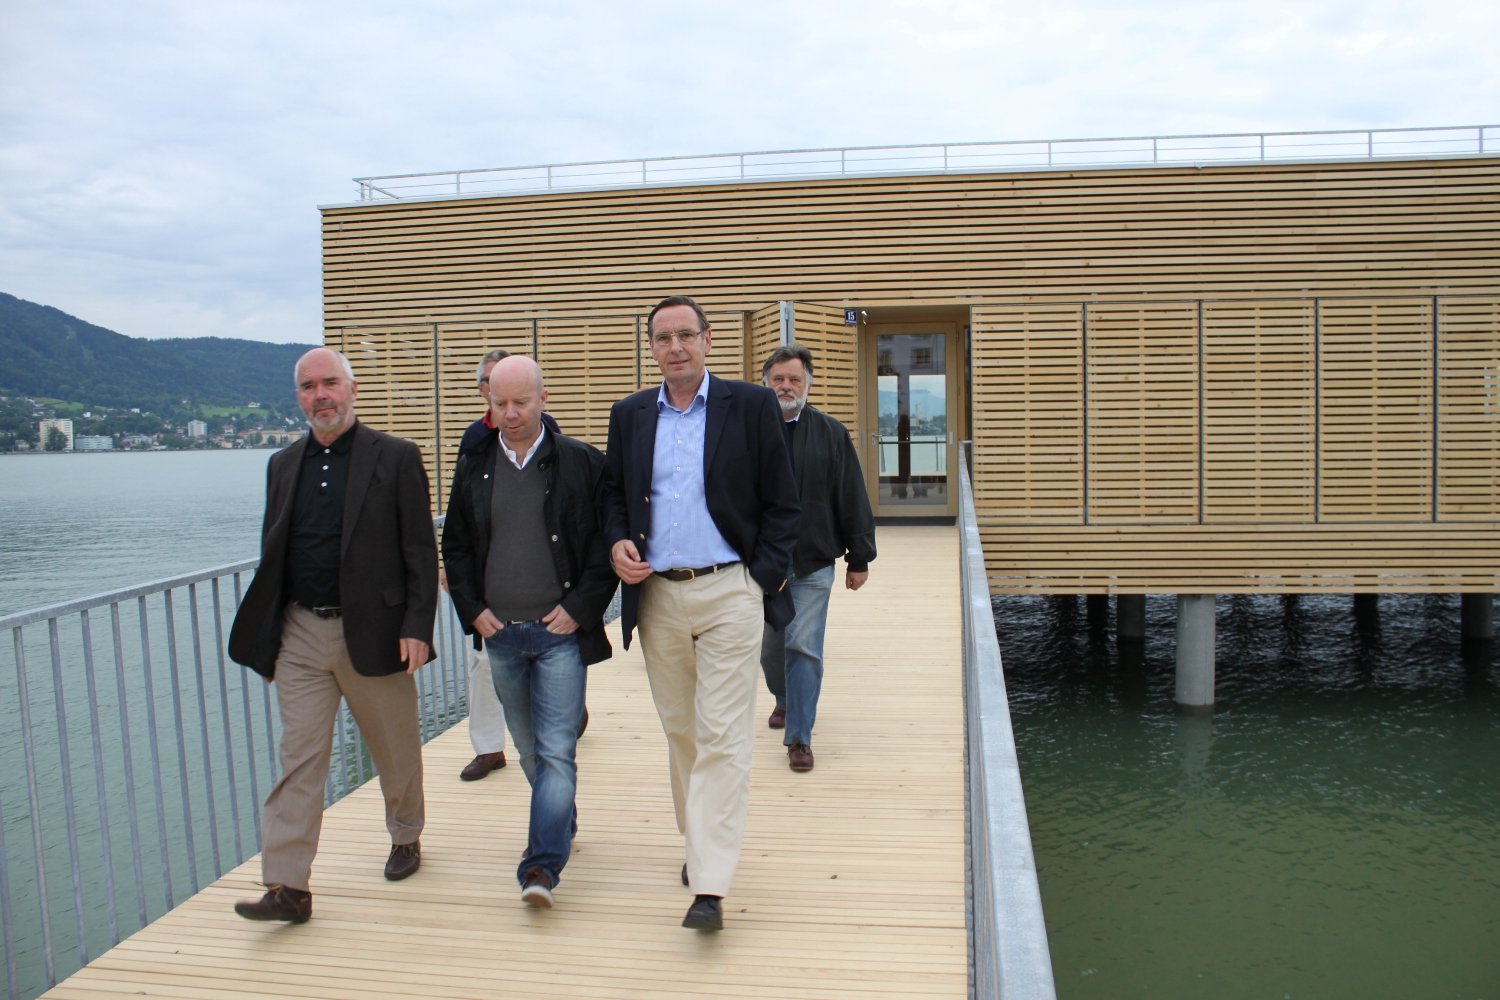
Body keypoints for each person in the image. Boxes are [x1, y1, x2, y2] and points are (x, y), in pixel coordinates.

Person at [603, 294, 799, 931]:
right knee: (682, 731)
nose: (676, 347)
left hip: (729, 591)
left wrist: (758, 580)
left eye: (686, 335)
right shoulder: (630, 414)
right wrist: (617, 542)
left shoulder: (752, 405)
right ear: (651, 348)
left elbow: (783, 502)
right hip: (658, 596)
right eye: (663, 338)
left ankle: (710, 884)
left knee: (722, 733)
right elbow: (614, 497)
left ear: (708, 340)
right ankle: (700, 843)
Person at [228, 347, 438, 924]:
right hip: (299, 632)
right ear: (298, 397)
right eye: (307, 386)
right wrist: (268, 638)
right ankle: (288, 886)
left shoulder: (396, 456)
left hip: (375, 629)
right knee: (298, 758)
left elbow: (420, 550)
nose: (320, 395)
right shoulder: (281, 464)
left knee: (394, 746)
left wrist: (417, 626)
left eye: (329, 383)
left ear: (351, 389)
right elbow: (274, 555)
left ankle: (405, 833)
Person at [441, 355, 617, 908]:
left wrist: (580, 609)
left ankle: (540, 865)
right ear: (488, 404)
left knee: (557, 749)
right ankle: (559, 819)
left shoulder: (581, 462)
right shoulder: (474, 464)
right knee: (527, 750)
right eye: (500, 403)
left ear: (543, 399)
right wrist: (472, 610)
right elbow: (456, 547)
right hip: (501, 636)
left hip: (559, 634)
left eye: (521, 402)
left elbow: (603, 547)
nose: (511, 413)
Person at [758, 345, 877, 772]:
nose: (786, 386)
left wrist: (859, 558)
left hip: (812, 561)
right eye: (778, 379)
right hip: (762, 565)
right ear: (766, 384)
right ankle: (785, 699)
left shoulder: (831, 433)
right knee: (771, 649)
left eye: (794, 379)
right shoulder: (747, 430)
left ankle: (799, 738)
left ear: (807, 384)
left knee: (803, 645)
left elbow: (851, 494)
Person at [455, 349, 567, 782]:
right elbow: (461, 524)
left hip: (550, 604)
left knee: (551, 737)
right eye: (492, 390)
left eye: (518, 399)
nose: (508, 409)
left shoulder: (553, 436)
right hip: (494, 603)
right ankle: (488, 748)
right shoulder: (474, 441)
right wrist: (468, 598)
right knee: (485, 671)